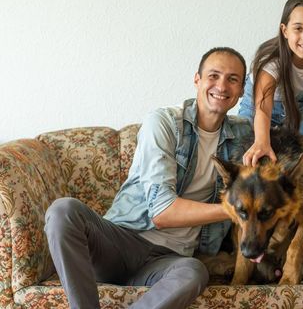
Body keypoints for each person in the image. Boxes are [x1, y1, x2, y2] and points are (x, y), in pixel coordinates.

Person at [44, 47, 251, 309]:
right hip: (121, 243)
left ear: (242, 90)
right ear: (197, 79)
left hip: (170, 259)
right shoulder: (164, 122)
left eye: (233, 79)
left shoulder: (244, 136)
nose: (222, 85)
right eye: (214, 75)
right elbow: (162, 212)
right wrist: (236, 210)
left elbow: (276, 118)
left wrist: (265, 138)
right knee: (64, 210)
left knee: (194, 273)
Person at [238, 0, 303, 231]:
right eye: (298, 28)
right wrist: (262, 142)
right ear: (284, 30)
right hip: (257, 106)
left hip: (297, 104)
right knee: (245, 161)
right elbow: (262, 107)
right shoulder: (272, 61)